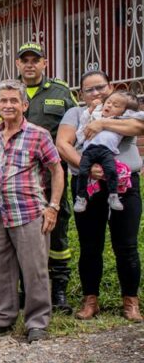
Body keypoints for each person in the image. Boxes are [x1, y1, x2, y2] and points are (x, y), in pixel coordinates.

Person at [0, 80, 64, 343]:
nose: (8, 105)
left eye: (14, 100)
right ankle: (2, 318)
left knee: (34, 269)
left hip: (28, 212)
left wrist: (53, 206)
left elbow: (56, 170)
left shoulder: (39, 135)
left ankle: (37, 322)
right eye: (3, 100)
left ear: (24, 105)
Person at [56, 71, 144, 322]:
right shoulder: (75, 113)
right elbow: (64, 144)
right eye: (89, 90)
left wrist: (103, 123)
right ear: (80, 94)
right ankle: (90, 300)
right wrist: (89, 167)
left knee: (126, 245)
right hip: (88, 183)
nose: (96, 93)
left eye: (100, 87)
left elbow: (139, 126)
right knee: (90, 244)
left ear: (111, 87)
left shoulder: (124, 108)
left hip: (125, 184)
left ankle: (130, 301)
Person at [12, 42, 77, 314]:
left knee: (58, 231)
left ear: (44, 63)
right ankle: (27, 290)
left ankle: (58, 289)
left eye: (35, 60)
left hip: (53, 176)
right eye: (24, 60)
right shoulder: (7, 92)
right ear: (18, 64)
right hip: (19, 179)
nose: (29, 64)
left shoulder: (61, 92)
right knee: (23, 233)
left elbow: (76, 129)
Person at [72, 91, 140, 213]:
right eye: (108, 102)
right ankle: (81, 197)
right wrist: (91, 109)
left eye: (115, 105)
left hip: (106, 152)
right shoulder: (95, 115)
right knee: (83, 172)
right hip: (89, 151)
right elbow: (83, 123)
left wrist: (105, 123)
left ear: (124, 111)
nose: (109, 106)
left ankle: (113, 196)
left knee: (111, 171)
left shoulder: (120, 121)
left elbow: (138, 118)